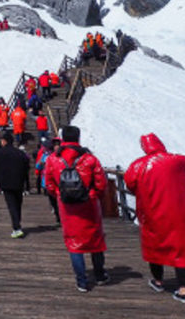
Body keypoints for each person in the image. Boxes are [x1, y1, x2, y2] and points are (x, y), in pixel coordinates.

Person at [124, 133, 185, 303]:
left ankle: (158, 281)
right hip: (178, 213)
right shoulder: (177, 160)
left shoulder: (137, 165)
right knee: (179, 249)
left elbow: (130, 184)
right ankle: (183, 289)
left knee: (154, 246)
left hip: (151, 213)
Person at [44, 125, 109, 292]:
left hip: (67, 207)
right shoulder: (89, 159)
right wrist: (94, 195)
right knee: (95, 240)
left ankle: (82, 281)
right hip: (89, 205)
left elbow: (49, 185)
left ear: (63, 138)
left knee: (74, 243)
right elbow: (101, 184)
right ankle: (100, 275)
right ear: (78, 138)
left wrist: (59, 194)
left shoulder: (53, 159)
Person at [0, 131, 31, 238]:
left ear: (4, 141)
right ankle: (17, 223)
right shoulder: (20, 153)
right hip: (19, 182)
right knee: (18, 204)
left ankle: (17, 227)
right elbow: (26, 167)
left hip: (6, 183)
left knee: (12, 205)